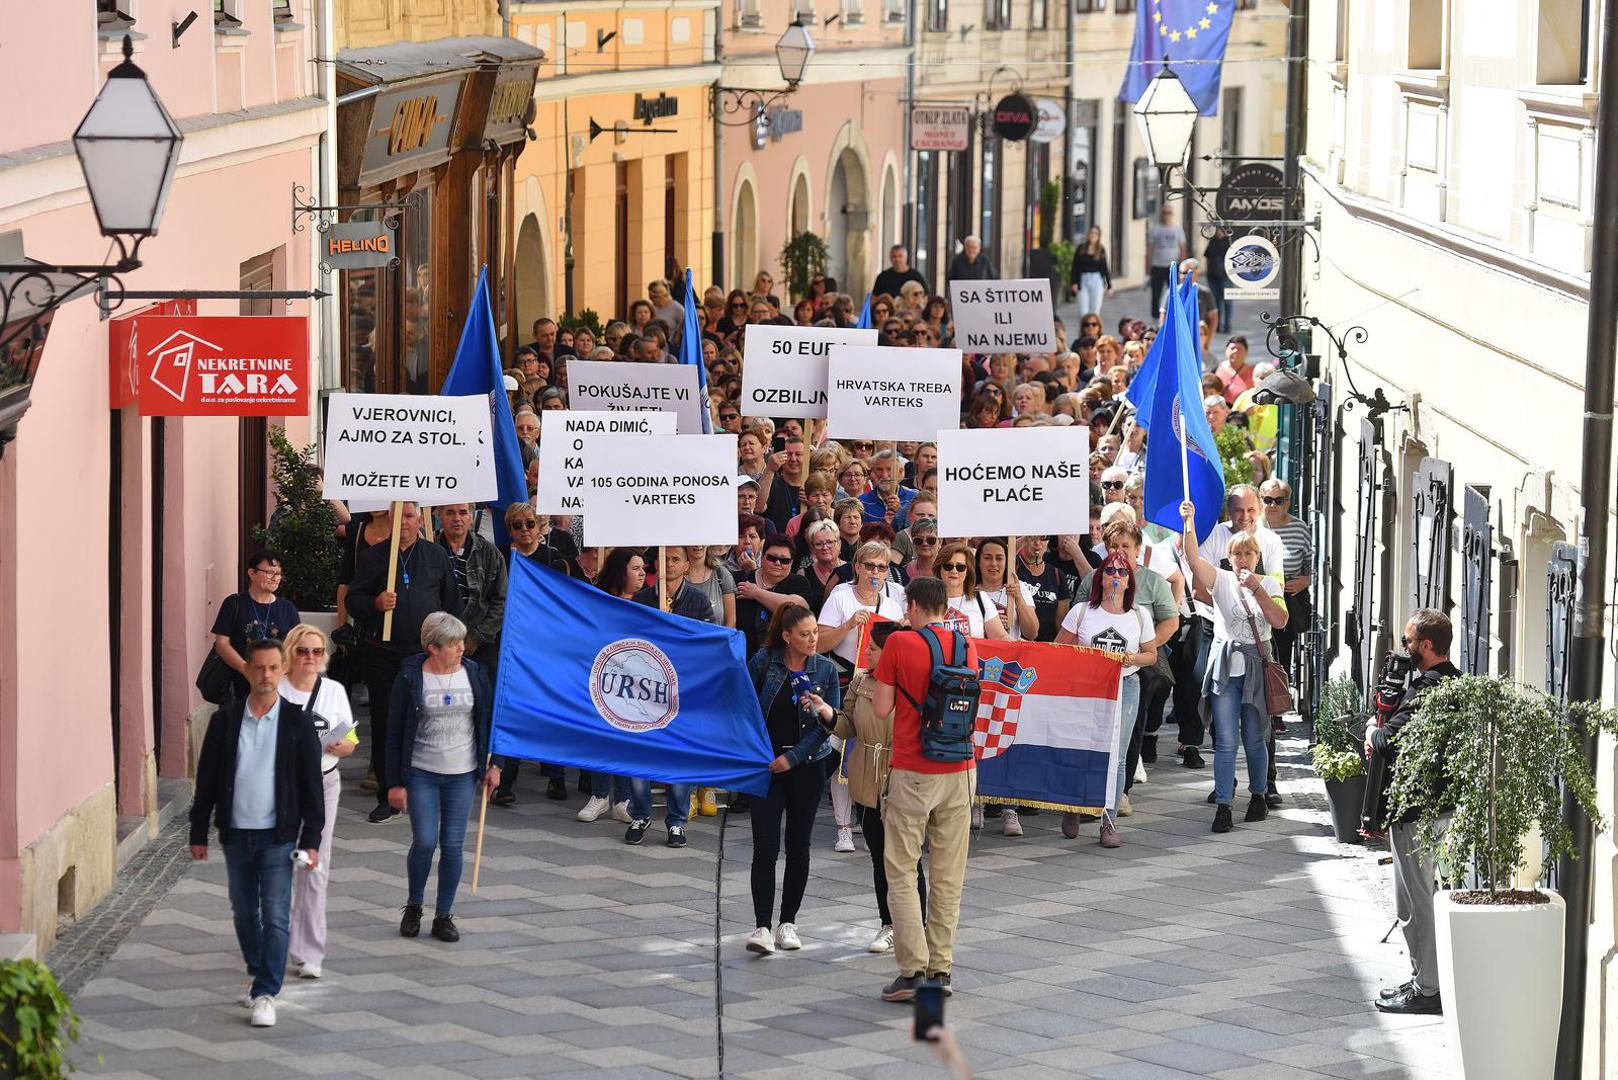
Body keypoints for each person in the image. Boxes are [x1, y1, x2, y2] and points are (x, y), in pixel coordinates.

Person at [188, 639, 324, 1028]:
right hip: (236, 833)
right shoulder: (226, 720)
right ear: (247, 669)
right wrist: (198, 830)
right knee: (245, 913)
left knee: (277, 915)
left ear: (282, 670)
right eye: (258, 668)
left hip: (278, 836)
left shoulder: (297, 724)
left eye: (272, 668)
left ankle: (266, 992)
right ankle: (258, 970)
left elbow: (311, 788)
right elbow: (208, 779)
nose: (265, 676)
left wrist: (310, 840)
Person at [871, 577, 976, 1001]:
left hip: (914, 768)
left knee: (901, 870)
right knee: (948, 876)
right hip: (961, 768)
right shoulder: (966, 645)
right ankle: (942, 969)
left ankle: (912, 971)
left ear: (912, 605)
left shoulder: (898, 644)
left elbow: (881, 709)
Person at [385, 612, 503, 943]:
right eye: (453, 643)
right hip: (422, 771)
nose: (462, 648)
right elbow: (393, 731)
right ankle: (414, 905)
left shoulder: (475, 673)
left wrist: (496, 765)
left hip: (462, 773)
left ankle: (444, 914)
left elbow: (492, 722)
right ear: (433, 647)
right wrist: (394, 782)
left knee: (453, 844)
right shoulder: (410, 676)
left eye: (462, 641)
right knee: (424, 841)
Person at [347, 503, 464, 823]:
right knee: (386, 722)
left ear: (419, 520)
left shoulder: (437, 556)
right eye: (398, 516)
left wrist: (449, 648)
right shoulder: (373, 556)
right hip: (382, 653)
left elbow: (452, 604)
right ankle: (388, 793)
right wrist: (375, 603)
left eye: (410, 516)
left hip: (424, 656)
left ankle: (423, 790)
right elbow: (353, 601)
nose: (405, 522)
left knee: (427, 722)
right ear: (389, 519)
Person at [1368, 609, 1459, 1015]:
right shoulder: (1454, 682)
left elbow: (1389, 739)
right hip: (1434, 807)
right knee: (1415, 901)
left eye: (1408, 642)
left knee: (1414, 904)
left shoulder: (1429, 689)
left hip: (1417, 809)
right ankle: (1424, 979)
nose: (1403, 650)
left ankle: (1428, 990)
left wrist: (1373, 731)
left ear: (1426, 644)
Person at [1180, 500, 1287, 833]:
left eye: (1249, 554)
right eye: (1238, 554)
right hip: (1227, 666)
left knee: (1255, 738)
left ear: (1257, 557)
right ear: (1229, 557)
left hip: (1256, 664)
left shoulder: (1269, 584)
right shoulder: (1222, 580)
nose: (1243, 560)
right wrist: (1190, 523)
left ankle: (1258, 795)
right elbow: (1194, 561)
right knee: (1225, 741)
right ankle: (1224, 804)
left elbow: (1280, 621)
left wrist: (1256, 587)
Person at [744, 606, 843, 955]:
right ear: (787, 636)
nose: (813, 638)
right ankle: (761, 926)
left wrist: (794, 757)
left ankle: (788, 922)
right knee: (765, 846)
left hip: (806, 767)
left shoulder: (826, 670)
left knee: (799, 846)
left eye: (815, 631)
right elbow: (743, 701)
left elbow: (829, 726)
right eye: (805, 633)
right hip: (766, 767)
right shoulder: (765, 661)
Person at [823, 622, 925, 954]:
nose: (866, 652)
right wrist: (826, 714)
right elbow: (848, 725)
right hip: (868, 774)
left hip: (901, 776)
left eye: (873, 648)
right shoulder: (861, 682)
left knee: (905, 857)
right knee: (879, 857)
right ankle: (888, 923)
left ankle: (916, 924)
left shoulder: (914, 684)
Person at [1056, 546, 1160, 846]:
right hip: (1087, 688)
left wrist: (1132, 659)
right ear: (1100, 578)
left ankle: (1108, 821)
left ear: (1130, 581)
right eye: (1110, 571)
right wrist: (1081, 657)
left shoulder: (1139, 615)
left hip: (1125, 687)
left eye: (1122, 571)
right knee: (1083, 749)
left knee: (1117, 755)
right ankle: (1074, 806)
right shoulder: (1082, 611)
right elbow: (1058, 648)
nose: (1116, 575)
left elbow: (1151, 655)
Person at [278, 625, 357, 981]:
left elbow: (351, 738)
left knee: (314, 866)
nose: (310, 658)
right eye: (303, 651)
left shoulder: (335, 691)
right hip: (278, 787)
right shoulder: (274, 688)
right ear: (290, 652)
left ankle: (309, 951)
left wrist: (343, 745)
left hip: (323, 784)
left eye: (317, 651)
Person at [624, 547, 714, 845]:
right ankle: (640, 813)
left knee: (679, 755)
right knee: (640, 753)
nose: (670, 564)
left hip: (682, 691)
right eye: (665, 559)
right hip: (646, 691)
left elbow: (706, 645)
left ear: (687, 565)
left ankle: (676, 820)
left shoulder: (698, 601)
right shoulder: (642, 599)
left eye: (676, 559)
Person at [211, 549, 302, 700]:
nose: (275, 578)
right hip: (239, 687)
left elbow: (295, 647)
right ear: (252, 573)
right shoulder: (234, 603)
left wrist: (278, 672)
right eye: (269, 572)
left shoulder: (287, 609)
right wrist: (246, 669)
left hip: (277, 690)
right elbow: (222, 643)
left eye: (278, 573)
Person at [974, 538, 1038, 641]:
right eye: (987, 558)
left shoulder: (1019, 587)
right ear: (978, 561)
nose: (993, 563)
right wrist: (992, 624)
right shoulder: (968, 590)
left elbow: (1032, 633)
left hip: (1009, 655)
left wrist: (1018, 597)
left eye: (999, 558)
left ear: (1007, 562)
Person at [1146, 206, 1187, 315]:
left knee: (1174, 292)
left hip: (1173, 266)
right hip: (1157, 265)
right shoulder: (1155, 229)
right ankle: (1155, 315)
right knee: (1156, 293)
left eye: (1168, 213)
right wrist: (1148, 267)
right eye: (1164, 212)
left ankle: (1173, 313)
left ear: (1172, 214)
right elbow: (1149, 248)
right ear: (1161, 214)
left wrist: (1182, 267)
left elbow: (1182, 247)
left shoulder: (1178, 229)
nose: (1166, 215)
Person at [1068, 226, 1112, 318]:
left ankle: (1095, 331)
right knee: (1083, 312)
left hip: (1096, 280)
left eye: (1096, 233)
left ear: (1099, 236)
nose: (1093, 235)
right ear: (1088, 234)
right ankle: (1084, 331)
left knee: (1095, 311)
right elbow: (1075, 266)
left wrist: (1109, 286)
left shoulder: (1101, 250)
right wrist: (1074, 282)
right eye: (1091, 233)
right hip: (1083, 280)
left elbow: (1105, 268)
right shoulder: (1081, 248)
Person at [1216, 336, 1255, 403]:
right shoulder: (1220, 367)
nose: (1235, 351)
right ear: (1226, 350)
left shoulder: (1252, 372)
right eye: (1232, 348)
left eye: (1239, 349)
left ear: (1246, 352)